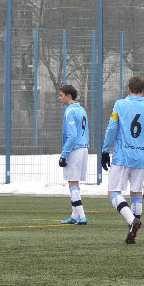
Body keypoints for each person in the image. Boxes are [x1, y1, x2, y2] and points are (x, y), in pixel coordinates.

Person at [101, 75, 144, 244]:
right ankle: (133, 233)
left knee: (113, 192)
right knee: (136, 193)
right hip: (140, 157)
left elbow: (112, 128)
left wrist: (105, 150)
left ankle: (132, 221)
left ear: (128, 89)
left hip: (122, 156)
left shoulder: (120, 105)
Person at [58, 84, 89, 225]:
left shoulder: (70, 111)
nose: (59, 98)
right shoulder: (81, 109)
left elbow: (72, 136)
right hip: (84, 148)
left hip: (74, 150)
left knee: (72, 183)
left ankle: (82, 216)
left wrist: (64, 155)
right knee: (75, 182)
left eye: (61, 95)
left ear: (68, 96)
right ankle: (74, 215)